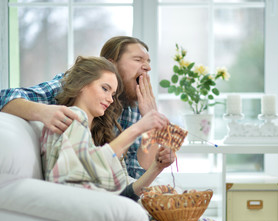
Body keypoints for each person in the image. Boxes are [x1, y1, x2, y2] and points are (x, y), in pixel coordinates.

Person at [0, 36, 158, 179]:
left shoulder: (135, 108)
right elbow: (5, 97)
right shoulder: (72, 86)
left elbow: (134, 173)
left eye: (148, 61)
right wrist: (44, 112)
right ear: (112, 64)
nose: (147, 67)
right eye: (138, 60)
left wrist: (150, 126)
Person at [41, 55, 175, 200]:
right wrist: (138, 128)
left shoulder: (98, 134)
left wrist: (157, 167)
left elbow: (125, 193)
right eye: (105, 88)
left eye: (112, 94)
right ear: (81, 84)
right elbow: (85, 172)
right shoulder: (70, 117)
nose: (110, 99)